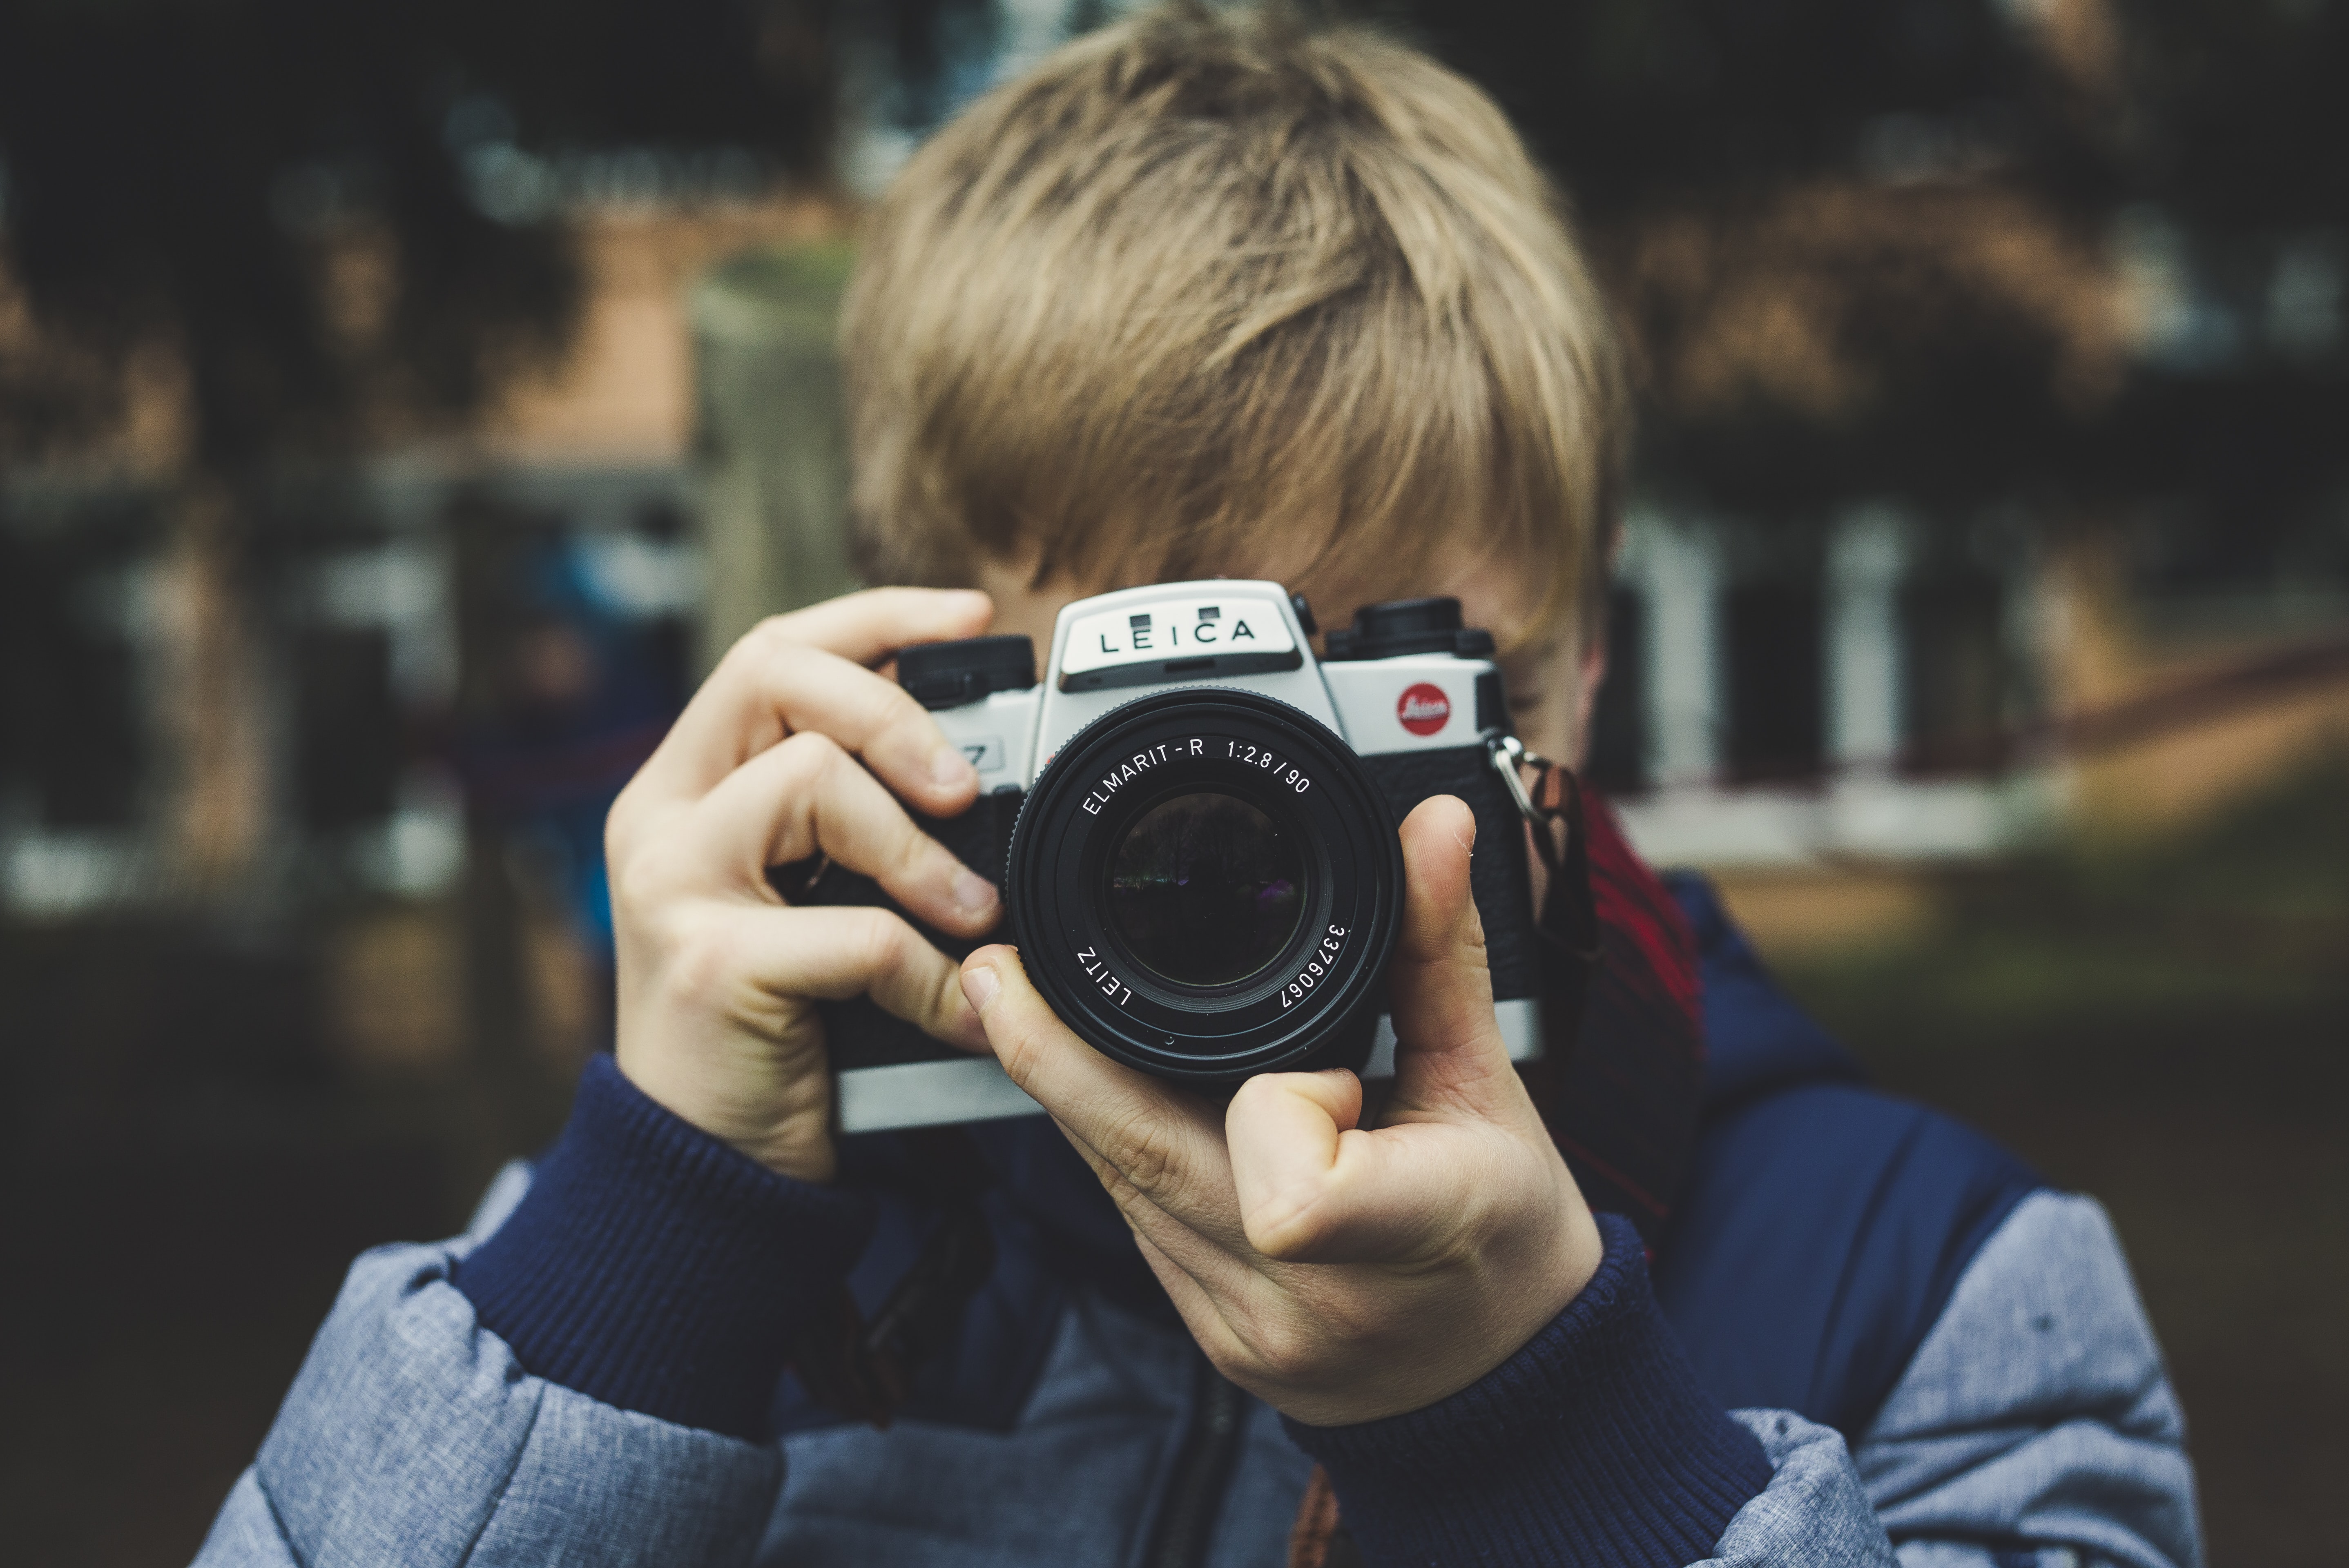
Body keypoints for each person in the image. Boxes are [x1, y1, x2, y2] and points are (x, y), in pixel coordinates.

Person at [195, 7, 2201, 1566]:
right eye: (1156, 730)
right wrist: (649, 1251)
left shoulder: (1930, 1292)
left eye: (1385, 696)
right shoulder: (742, 1253)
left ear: (1582, 668)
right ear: (936, 714)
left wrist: (1555, 1446)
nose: (1272, 825)